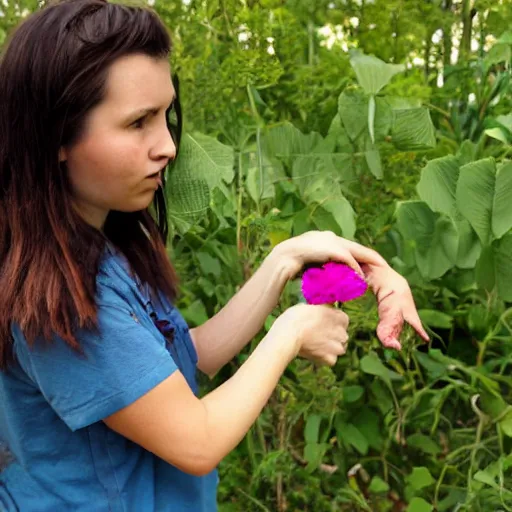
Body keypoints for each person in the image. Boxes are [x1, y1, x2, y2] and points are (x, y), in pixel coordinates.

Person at [0, 0, 429, 510]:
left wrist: (285, 259)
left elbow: (181, 362)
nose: (168, 146)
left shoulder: (98, 246)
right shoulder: (60, 294)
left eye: (165, 115)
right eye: (138, 123)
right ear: (56, 136)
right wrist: (290, 331)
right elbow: (195, 440)